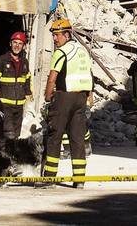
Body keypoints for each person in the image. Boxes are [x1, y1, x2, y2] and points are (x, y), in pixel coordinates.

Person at [41, 19, 92, 187]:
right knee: (77, 139)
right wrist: (89, 97)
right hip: (81, 98)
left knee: (54, 137)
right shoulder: (83, 50)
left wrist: (48, 96)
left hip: (64, 97)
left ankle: (49, 178)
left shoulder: (61, 52)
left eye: (57, 36)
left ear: (67, 34)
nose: (55, 39)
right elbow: (89, 74)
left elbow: (52, 77)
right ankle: (79, 180)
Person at [0, 32, 32, 145]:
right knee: (9, 133)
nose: (17, 46)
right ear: (10, 43)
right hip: (5, 105)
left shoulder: (25, 62)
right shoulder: (1, 61)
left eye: (20, 43)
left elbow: (27, 81)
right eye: (15, 43)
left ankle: (11, 159)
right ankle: (6, 159)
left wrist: (28, 96)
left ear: (24, 46)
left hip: (19, 106)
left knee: (16, 135)